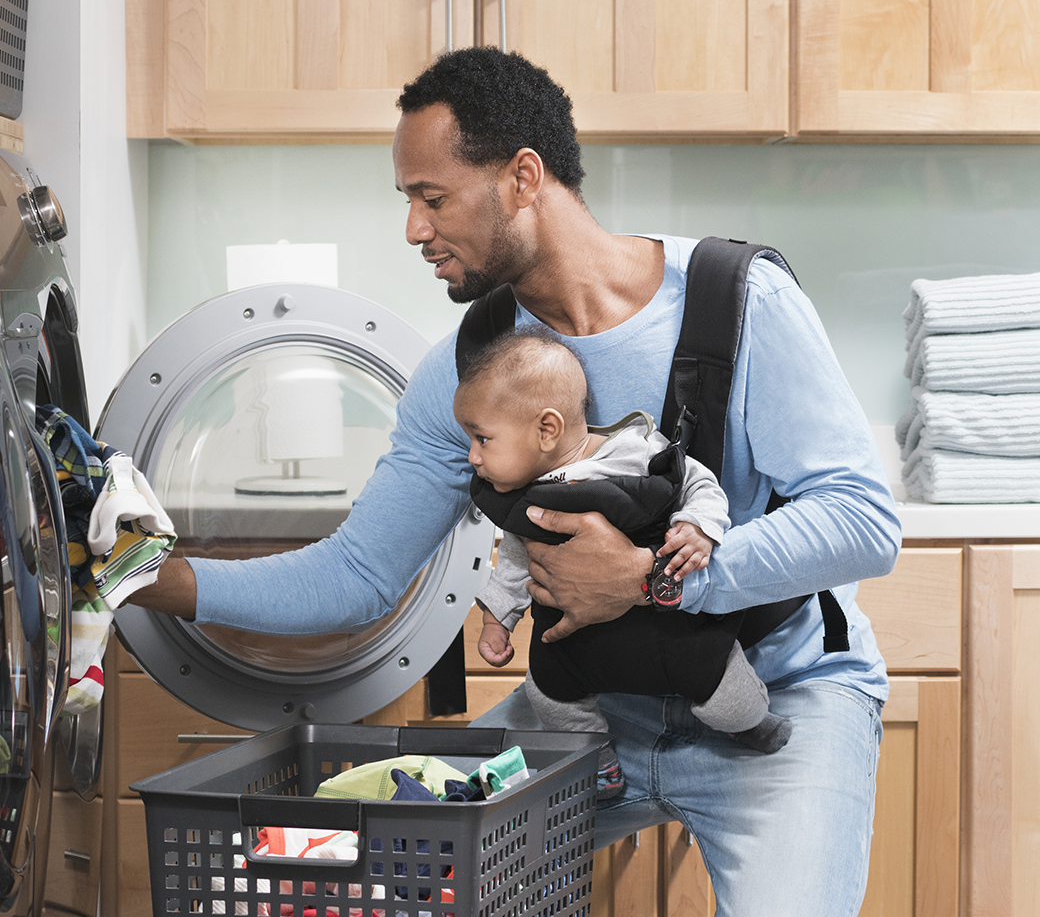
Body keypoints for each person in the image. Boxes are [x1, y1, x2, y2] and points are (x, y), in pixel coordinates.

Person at [131, 46, 901, 915]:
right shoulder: (470, 376)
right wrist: (140, 579)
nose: (414, 230)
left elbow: (863, 522)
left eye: (432, 197)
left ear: (522, 178)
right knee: (384, 880)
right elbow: (355, 577)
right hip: (593, 712)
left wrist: (651, 579)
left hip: (780, 700)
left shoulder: (738, 301)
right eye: (408, 202)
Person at [455, 325, 793, 800]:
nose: (471, 456)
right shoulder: (522, 500)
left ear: (546, 430)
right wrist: (497, 620)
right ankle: (597, 759)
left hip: (676, 635)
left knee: (726, 698)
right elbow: (515, 560)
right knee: (547, 696)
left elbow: (698, 482)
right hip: (573, 648)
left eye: (482, 439)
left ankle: (751, 722)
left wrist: (698, 527)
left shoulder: (635, 453)